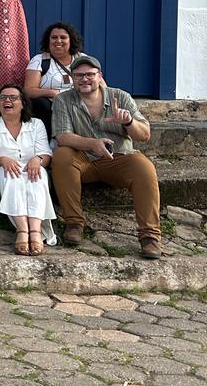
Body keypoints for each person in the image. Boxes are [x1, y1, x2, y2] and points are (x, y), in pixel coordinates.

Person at [51, 54, 162, 259]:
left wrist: (128, 122)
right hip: (83, 159)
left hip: (118, 158)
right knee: (61, 156)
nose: (84, 79)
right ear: (72, 78)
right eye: (79, 75)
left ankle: (150, 237)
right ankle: (74, 223)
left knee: (145, 168)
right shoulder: (63, 100)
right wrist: (92, 144)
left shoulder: (120, 96)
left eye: (89, 75)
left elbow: (144, 135)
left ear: (99, 76)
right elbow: (63, 136)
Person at [0, 85, 55, 255]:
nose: (7, 100)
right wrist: (2, 159)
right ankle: (22, 230)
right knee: (12, 173)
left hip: (31, 173)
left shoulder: (36, 124)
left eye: (13, 97)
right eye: (3, 97)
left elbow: (46, 153)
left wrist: (38, 159)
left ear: (23, 103)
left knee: (38, 174)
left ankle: (35, 230)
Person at [23, 20, 85, 132]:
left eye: (63, 37)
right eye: (54, 37)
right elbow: (28, 90)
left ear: (71, 40)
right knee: (40, 104)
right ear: (48, 41)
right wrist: (52, 93)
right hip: (51, 107)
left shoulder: (82, 59)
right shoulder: (39, 60)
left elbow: (101, 85)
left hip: (80, 104)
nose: (58, 41)